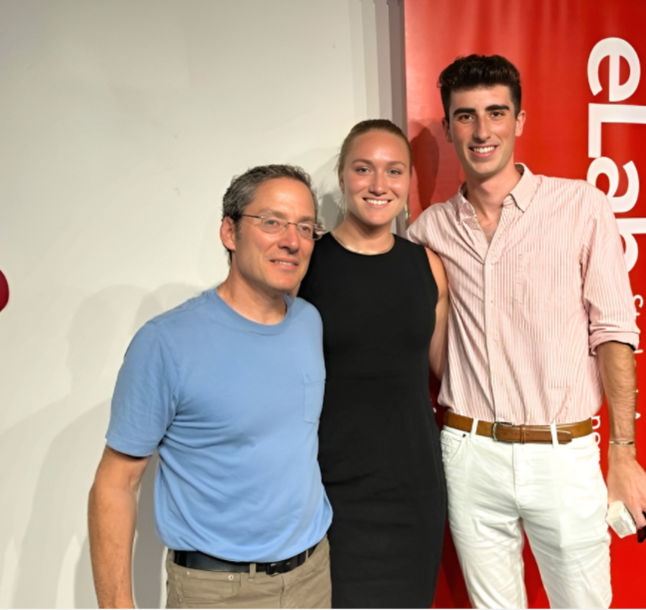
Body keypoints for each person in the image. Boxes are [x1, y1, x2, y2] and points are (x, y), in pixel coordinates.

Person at [407, 55, 646, 609]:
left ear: (519, 121)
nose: (482, 130)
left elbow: (615, 332)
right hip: (469, 453)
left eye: (496, 113)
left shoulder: (581, 207)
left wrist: (623, 451)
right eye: (466, 116)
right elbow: (430, 340)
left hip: (563, 453)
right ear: (450, 127)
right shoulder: (427, 230)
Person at [87, 164, 333, 609]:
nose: (292, 240)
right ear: (229, 232)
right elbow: (115, 483)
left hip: (312, 576)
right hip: (218, 591)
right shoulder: (166, 342)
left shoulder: (308, 322)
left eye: (304, 226)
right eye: (272, 221)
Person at [297, 119, 449, 608]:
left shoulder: (426, 266)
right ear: (342, 179)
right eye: (364, 169)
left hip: (413, 487)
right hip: (327, 488)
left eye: (394, 171)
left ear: (407, 184)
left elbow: (449, 371)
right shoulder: (304, 267)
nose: (379, 185)